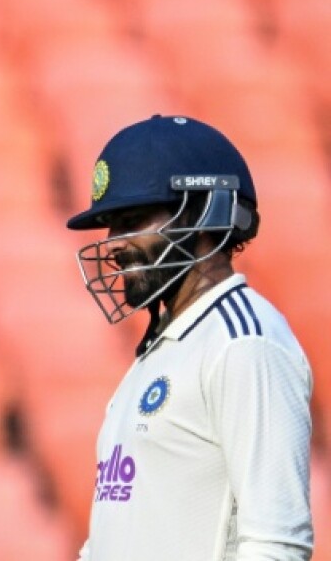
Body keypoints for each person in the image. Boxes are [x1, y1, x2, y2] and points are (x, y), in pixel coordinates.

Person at [66, 114, 314, 560]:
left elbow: (277, 544)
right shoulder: (157, 355)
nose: (115, 242)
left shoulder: (243, 343)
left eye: (133, 219)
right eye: (111, 224)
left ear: (206, 213)